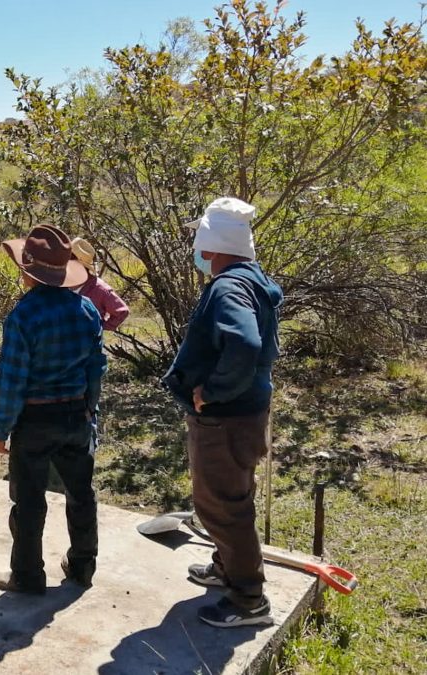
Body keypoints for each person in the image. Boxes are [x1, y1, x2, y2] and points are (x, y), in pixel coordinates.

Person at [162, 197, 283, 628]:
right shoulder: (250, 278)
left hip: (226, 418)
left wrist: (211, 392)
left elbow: (245, 344)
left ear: (210, 244)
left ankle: (248, 599)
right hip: (245, 413)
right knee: (231, 497)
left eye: (199, 238)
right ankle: (225, 568)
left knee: (222, 507)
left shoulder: (228, 286)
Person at [0, 225, 107, 594]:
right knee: (81, 494)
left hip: (34, 420)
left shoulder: (23, 316)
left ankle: (27, 575)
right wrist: (91, 412)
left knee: (29, 500)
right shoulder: (86, 309)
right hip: (75, 416)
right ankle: (82, 566)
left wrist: (1, 427)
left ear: (28, 271)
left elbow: (12, 378)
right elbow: (95, 368)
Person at [70, 237, 130, 331]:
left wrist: (101, 327)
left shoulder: (99, 288)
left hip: (89, 342)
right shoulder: (61, 284)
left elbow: (122, 311)